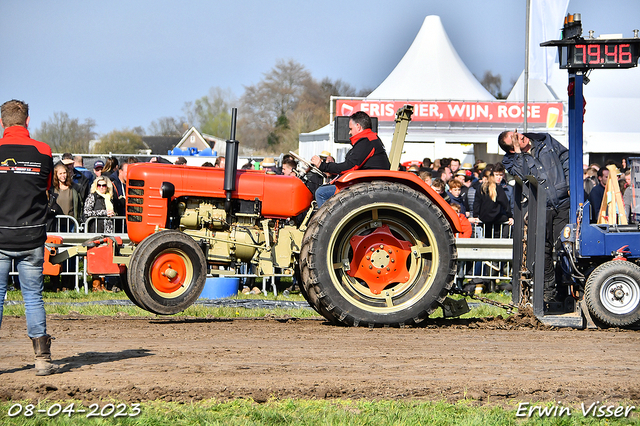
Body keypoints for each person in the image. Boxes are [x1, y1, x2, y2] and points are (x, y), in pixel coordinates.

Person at [0, 99, 57, 376]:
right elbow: (45, 189)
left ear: (2, 122)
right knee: (33, 298)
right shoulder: (44, 152)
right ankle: (42, 359)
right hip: (32, 236)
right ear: (28, 121)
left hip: (0, 236)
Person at [498, 130, 570, 303]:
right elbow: (523, 174)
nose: (522, 137)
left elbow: (566, 157)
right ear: (512, 148)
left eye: (519, 134)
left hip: (563, 202)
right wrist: (518, 151)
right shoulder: (510, 160)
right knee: (542, 250)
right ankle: (549, 293)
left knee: (565, 247)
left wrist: (569, 184)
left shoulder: (545, 140)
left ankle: (565, 290)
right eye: (516, 139)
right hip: (540, 206)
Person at [311, 111, 390, 207]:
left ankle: (327, 222)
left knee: (321, 192)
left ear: (358, 126)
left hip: (367, 186)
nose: (350, 132)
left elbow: (350, 166)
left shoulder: (366, 142)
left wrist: (322, 165)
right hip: (367, 183)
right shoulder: (370, 140)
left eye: (351, 129)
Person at [471, 169, 513, 238]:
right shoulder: (498, 188)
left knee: (487, 236)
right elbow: (505, 203)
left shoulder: (480, 188)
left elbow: (477, 203)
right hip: (497, 217)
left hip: (484, 218)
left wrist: (475, 215)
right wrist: (509, 216)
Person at [48, 162, 83, 232]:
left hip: (71, 223)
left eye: (64, 173)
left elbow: (79, 206)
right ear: (56, 175)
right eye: (60, 174)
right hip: (56, 223)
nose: (63, 175)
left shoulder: (74, 189)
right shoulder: (52, 190)